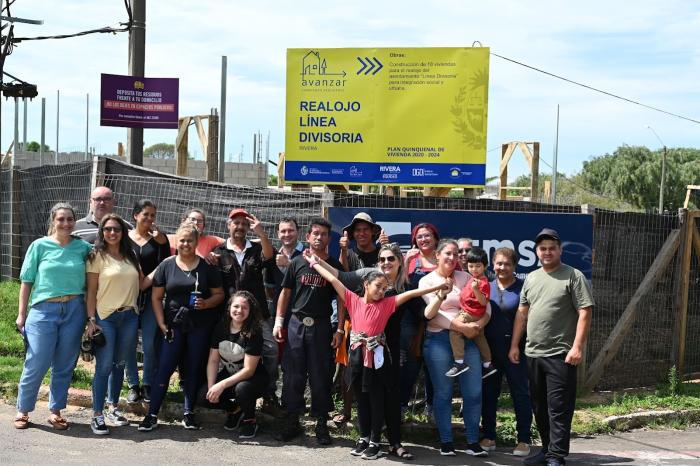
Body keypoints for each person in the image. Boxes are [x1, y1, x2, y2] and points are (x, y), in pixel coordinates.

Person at [303, 249, 451, 460]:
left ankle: (375, 440)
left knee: (376, 398)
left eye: (385, 288)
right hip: (356, 357)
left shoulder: (387, 304)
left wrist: (439, 288)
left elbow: (412, 294)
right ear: (366, 285)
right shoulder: (353, 300)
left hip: (377, 357)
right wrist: (313, 262)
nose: (381, 291)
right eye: (378, 287)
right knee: (361, 399)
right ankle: (363, 438)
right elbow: (333, 278)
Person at [509, 228, 594, 466]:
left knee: (558, 408)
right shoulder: (532, 278)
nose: (547, 252)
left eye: (551, 248)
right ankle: (546, 450)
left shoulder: (573, 276)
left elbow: (585, 312)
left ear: (560, 250)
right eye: (542, 248)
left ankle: (557, 455)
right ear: (536, 251)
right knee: (540, 407)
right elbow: (522, 314)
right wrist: (515, 344)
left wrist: (577, 347)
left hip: (561, 355)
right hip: (533, 353)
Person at [138, 223, 225, 432]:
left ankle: (189, 413)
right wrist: (161, 323)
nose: (186, 244)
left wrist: (206, 303)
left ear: (197, 242)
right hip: (172, 326)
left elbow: (219, 295)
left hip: (199, 325)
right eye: (182, 240)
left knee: (193, 368)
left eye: (190, 240)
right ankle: (151, 414)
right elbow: (156, 297)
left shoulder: (206, 267)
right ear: (177, 241)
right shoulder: (167, 265)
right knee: (164, 368)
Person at [14, 202, 92, 430]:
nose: (66, 223)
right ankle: (23, 409)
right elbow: (26, 281)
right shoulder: (39, 246)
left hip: (74, 309)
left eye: (69, 219)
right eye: (61, 219)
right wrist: (21, 314)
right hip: (43, 310)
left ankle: (55, 410)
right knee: (37, 360)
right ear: (53, 221)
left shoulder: (83, 248)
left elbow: (95, 277)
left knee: (65, 364)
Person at [272, 217, 344, 444]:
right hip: (296, 323)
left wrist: (340, 329)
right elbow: (285, 292)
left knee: (321, 375)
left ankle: (322, 425)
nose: (319, 237)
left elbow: (342, 300)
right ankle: (292, 422)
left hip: (322, 326)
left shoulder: (334, 266)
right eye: (315, 233)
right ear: (308, 237)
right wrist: (278, 321)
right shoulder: (296, 263)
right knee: (293, 374)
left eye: (323, 234)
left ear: (328, 239)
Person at [420, 238, 491, 457]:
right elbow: (433, 315)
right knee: (443, 393)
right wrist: (460, 325)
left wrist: (477, 326)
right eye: (447, 253)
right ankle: (447, 442)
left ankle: (472, 442)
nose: (452, 257)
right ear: (437, 255)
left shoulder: (467, 277)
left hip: (468, 339)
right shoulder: (426, 281)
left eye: (455, 253)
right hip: (439, 340)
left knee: (474, 393)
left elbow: (485, 306)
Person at [86, 214, 148, 435]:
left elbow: (142, 284)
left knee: (120, 364)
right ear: (102, 232)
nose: (112, 233)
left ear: (123, 233)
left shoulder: (131, 256)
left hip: (130, 317)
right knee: (104, 366)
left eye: (117, 229)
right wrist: (91, 320)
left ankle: (113, 407)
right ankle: (97, 414)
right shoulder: (96, 256)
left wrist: (168, 266)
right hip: (106, 318)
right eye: (108, 229)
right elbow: (91, 291)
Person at [213, 208, 276, 416]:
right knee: (230, 353)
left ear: (248, 227)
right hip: (232, 316)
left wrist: (262, 234)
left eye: (244, 223)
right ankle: (232, 394)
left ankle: (268, 394)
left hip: (258, 315)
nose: (240, 226)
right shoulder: (219, 252)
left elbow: (269, 258)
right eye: (235, 222)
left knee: (270, 351)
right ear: (228, 225)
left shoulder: (256, 249)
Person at [480, 247, 533, 457]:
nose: (502, 267)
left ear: (515, 266)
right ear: (493, 264)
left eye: (507, 264)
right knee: (489, 394)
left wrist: (515, 346)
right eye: (499, 263)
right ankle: (489, 436)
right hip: (489, 352)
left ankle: (524, 440)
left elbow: (526, 318)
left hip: (514, 351)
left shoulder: (523, 288)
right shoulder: (486, 287)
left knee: (520, 394)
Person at [125, 199, 171, 403]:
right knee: (129, 342)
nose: (150, 219)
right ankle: (133, 384)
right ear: (136, 215)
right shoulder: (125, 238)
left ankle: (148, 384)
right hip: (128, 297)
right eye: (146, 215)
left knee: (150, 344)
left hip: (152, 297)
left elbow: (164, 266)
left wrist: (146, 281)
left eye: (153, 215)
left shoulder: (160, 240)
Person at [206, 291, 269, 439]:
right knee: (204, 395)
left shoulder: (254, 333)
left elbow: (248, 370)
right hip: (230, 375)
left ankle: (250, 420)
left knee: (242, 389)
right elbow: (213, 360)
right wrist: (211, 387)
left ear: (250, 311)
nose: (239, 310)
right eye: (236, 306)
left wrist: (221, 385)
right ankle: (235, 410)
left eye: (244, 307)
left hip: (254, 379)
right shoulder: (220, 328)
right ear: (229, 308)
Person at [262, 217, 304, 416]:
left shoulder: (306, 254)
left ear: (298, 232)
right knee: (272, 360)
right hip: (277, 319)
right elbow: (270, 290)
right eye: (283, 231)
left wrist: (289, 265)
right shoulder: (272, 256)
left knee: (294, 363)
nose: (287, 235)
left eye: (291, 230)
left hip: (299, 319)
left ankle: (293, 404)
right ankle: (270, 400)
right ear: (278, 234)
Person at [401, 223, 439, 419]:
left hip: (437, 317)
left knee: (434, 364)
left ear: (435, 238)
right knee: (409, 363)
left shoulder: (443, 259)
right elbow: (401, 285)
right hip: (411, 318)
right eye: (420, 236)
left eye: (427, 236)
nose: (424, 239)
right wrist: (406, 263)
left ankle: (432, 407)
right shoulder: (411, 259)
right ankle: (402, 405)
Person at [446, 246, 497, 378]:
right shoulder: (472, 278)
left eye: (478, 266)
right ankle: (487, 364)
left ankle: (459, 362)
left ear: (485, 266)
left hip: (471, 314)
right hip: (472, 313)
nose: (474, 269)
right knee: (480, 337)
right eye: (471, 266)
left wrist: (476, 290)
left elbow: (484, 302)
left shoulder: (483, 282)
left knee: (455, 330)